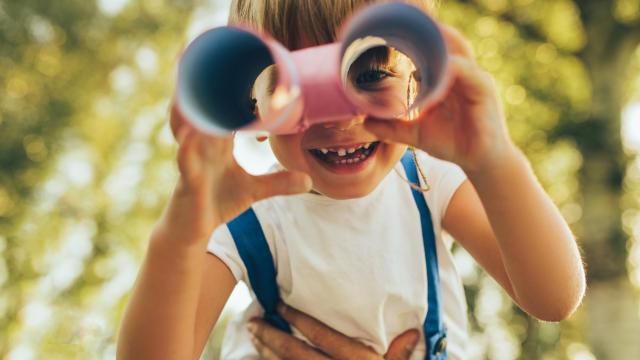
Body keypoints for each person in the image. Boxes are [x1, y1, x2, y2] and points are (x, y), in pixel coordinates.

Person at [116, 0, 587, 359]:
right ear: (249, 108)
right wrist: (179, 235)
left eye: (371, 72)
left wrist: (494, 161)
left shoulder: (428, 181)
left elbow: (553, 297)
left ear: (420, 81)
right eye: (287, 84)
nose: (338, 117)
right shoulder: (242, 217)